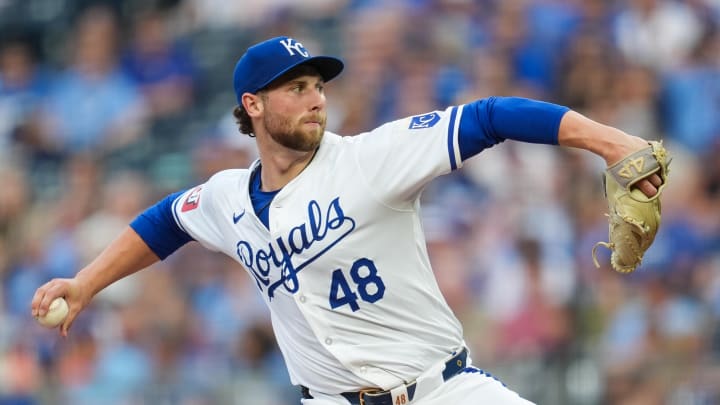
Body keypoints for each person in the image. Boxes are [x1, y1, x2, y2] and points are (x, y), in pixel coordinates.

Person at [31, 36, 663, 405]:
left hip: (442, 391)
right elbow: (166, 222)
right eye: (296, 88)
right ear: (252, 106)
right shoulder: (225, 197)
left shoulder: (370, 159)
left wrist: (608, 143)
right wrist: (84, 285)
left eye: (317, 85)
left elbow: (490, 115)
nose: (315, 98)